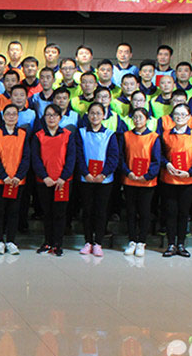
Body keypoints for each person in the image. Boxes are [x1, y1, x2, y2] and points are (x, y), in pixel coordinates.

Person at [159, 104, 192, 257]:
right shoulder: (165, 135)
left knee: (184, 213)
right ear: (172, 116)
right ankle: (171, 244)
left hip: (188, 181)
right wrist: (167, 164)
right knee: (170, 212)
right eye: (176, 114)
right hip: (169, 180)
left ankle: (181, 244)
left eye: (183, 114)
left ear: (189, 117)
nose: (179, 117)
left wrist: (189, 172)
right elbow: (159, 155)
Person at [76, 102, 119, 257]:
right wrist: (85, 173)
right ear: (88, 115)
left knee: (101, 211)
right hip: (86, 178)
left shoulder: (110, 134)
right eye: (92, 113)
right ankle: (88, 241)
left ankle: (98, 242)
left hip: (104, 180)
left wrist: (104, 174)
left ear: (104, 115)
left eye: (98, 113)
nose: (95, 116)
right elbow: (79, 155)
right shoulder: (81, 133)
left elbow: (114, 157)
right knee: (87, 211)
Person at [32, 105, 75, 256]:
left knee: (60, 213)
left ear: (60, 118)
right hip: (44, 181)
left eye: (54, 115)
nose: (51, 118)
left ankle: (57, 244)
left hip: (63, 182)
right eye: (48, 115)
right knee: (47, 213)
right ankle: (47, 242)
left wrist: (63, 177)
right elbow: (35, 158)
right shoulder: (38, 136)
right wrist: (45, 177)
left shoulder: (68, 135)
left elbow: (71, 158)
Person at [0, 104, 31, 256]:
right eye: (8, 114)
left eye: (14, 114)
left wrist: (18, 176)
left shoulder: (23, 134)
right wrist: (3, 176)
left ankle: (11, 241)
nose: (11, 117)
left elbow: (26, 157)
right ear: (3, 116)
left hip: (17, 181)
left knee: (14, 211)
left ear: (18, 117)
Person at [120, 108, 161, 257]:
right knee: (131, 212)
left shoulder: (154, 137)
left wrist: (148, 175)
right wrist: (128, 172)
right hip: (130, 180)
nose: (137, 120)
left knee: (144, 212)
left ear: (147, 119)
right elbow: (121, 157)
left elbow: (156, 160)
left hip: (146, 181)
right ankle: (132, 240)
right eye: (135, 117)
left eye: (140, 117)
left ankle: (141, 241)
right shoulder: (126, 136)